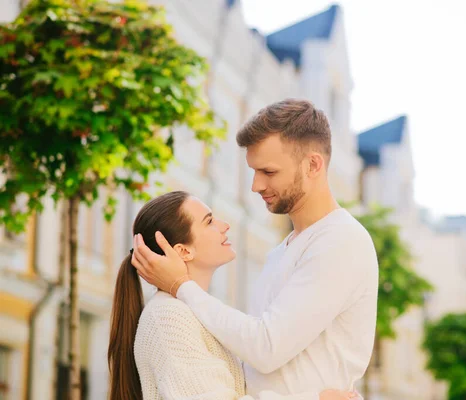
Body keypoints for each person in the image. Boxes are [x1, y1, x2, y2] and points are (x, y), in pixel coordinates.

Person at [132, 99, 379, 397]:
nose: (256, 185)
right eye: (254, 171)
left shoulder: (340, 240)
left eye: (269, 172)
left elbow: (266, 349)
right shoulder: (281, 253)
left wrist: (182, 286)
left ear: (313, 164)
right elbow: (258, 368)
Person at [108, 191, 357, 400]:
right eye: (209, 221)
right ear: (183, 251)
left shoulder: (193, 312)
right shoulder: (168, 317)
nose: (224, 225)